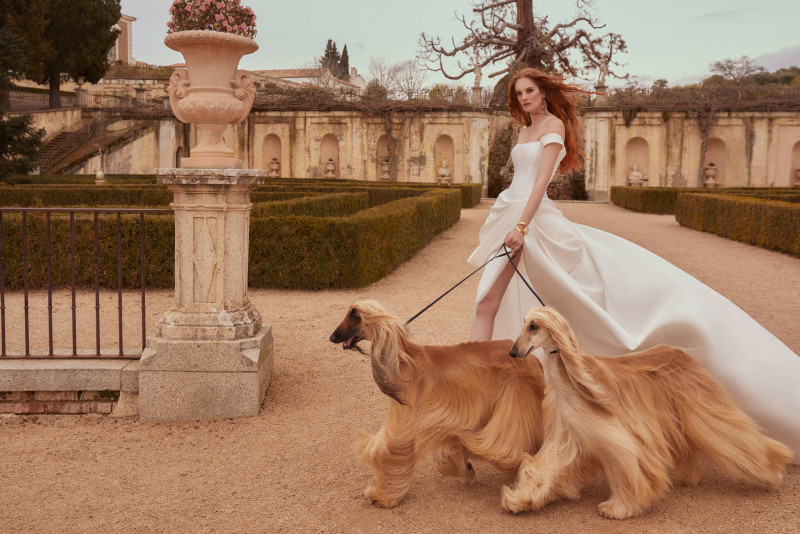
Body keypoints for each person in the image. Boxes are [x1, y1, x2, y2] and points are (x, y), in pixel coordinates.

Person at [467, 67, 800, 460]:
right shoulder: (523, 131)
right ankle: (484, 388)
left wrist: (522, 225)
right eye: (518, 92)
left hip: (531, 223)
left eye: (530, 91)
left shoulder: (553, 125)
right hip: (512, 215)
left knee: (524, 304)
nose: (523, 98)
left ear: (544, 94)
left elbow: (540, 183)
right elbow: (519, 181)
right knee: (489, 301)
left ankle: (481, 388)